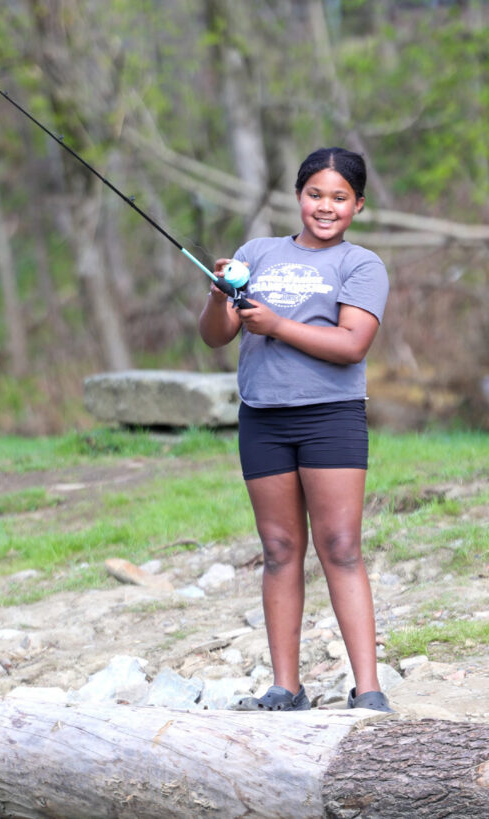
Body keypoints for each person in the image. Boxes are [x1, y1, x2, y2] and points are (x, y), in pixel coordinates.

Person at [198, 146, 392, 713]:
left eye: (339, 197)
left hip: (331, 417)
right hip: (263, 418)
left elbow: (352, 344)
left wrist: (277, 324)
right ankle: (287, 688)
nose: (325, 207)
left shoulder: (361, 265)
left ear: (358, 205)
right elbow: (215, 336)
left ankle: (368, 690)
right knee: (280, 549)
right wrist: (217, 295)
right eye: (315, 194)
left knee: (341, 548)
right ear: (298, 196)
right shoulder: (256, 254)